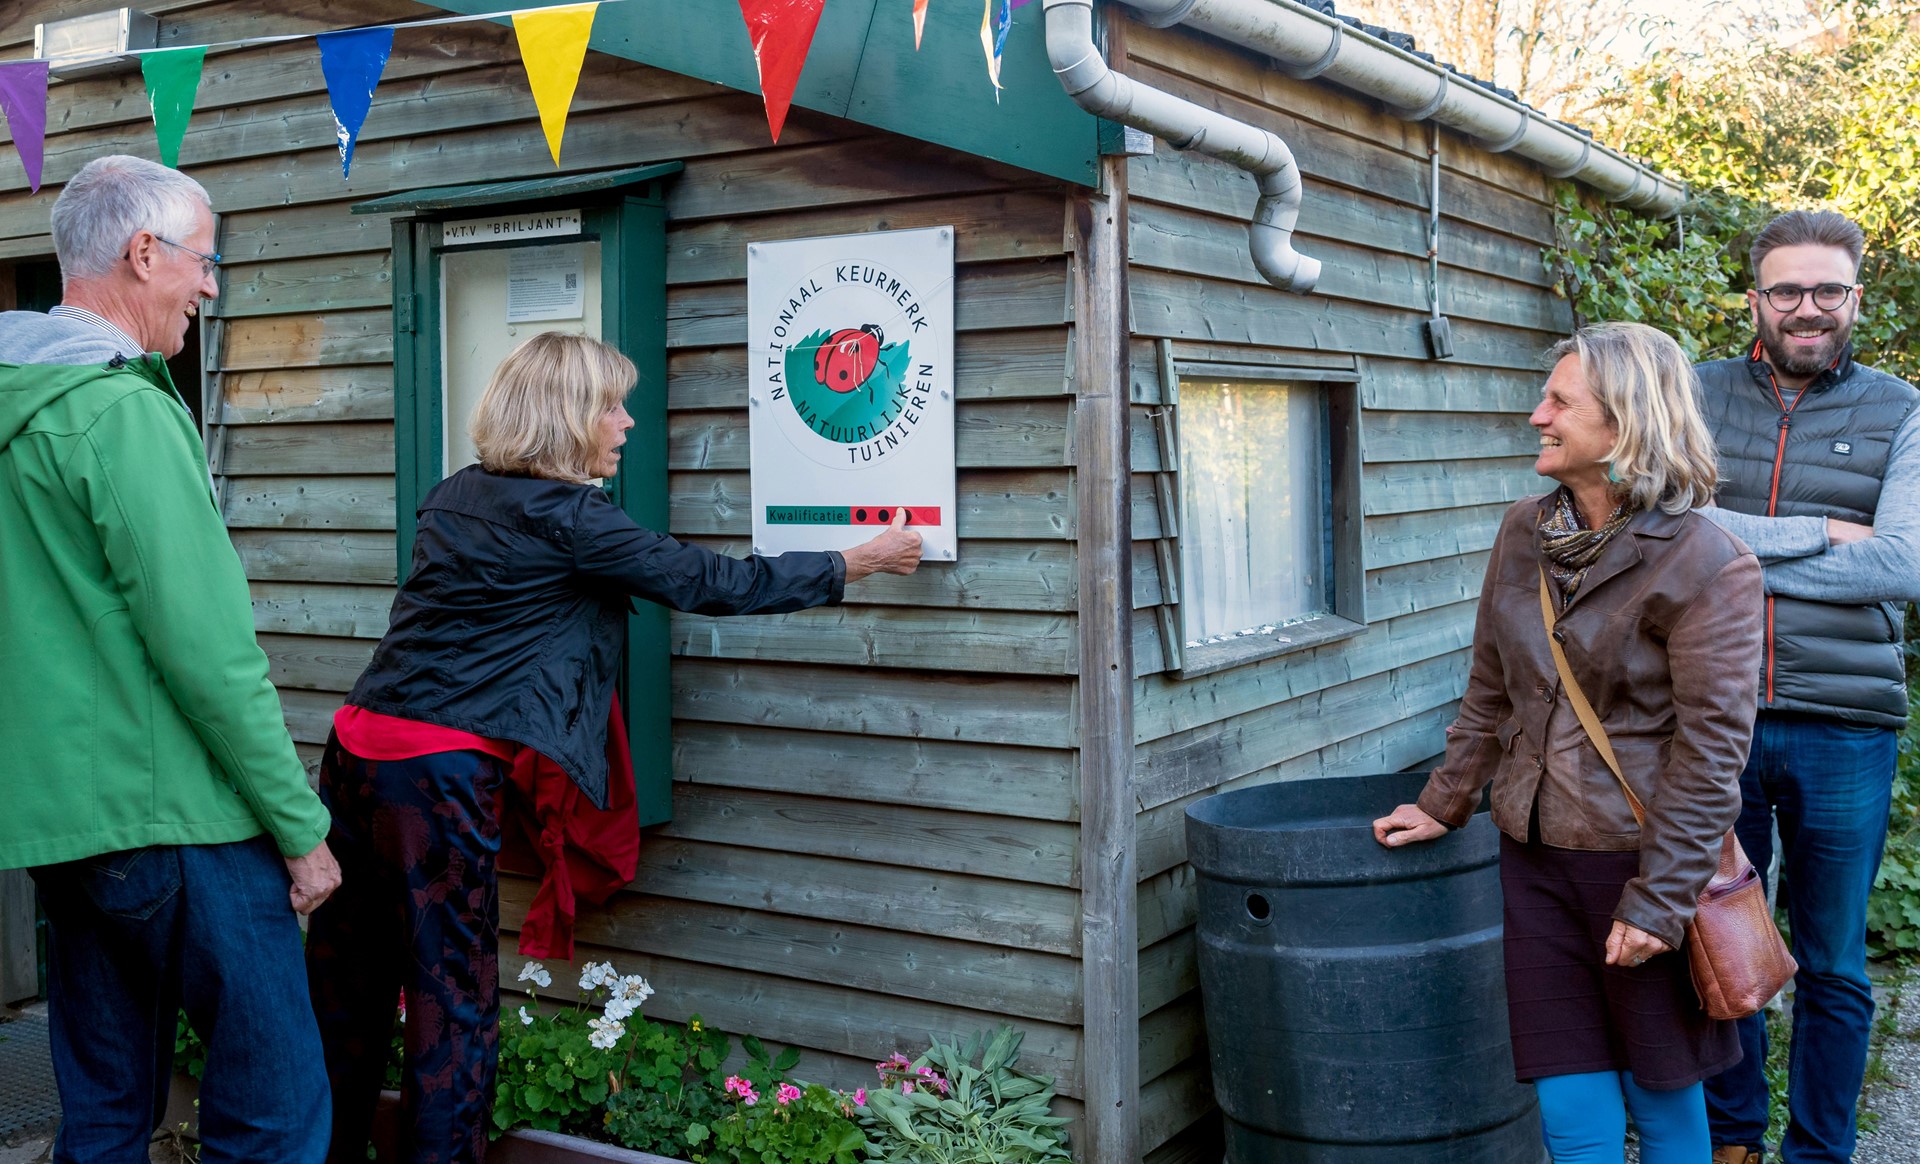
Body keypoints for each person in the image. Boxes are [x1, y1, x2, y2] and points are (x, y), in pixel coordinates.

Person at [305, 331, 924, 1163]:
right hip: (433, 779)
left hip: (354, 752)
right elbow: (712, 582)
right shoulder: (573, 520)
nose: (625, 422)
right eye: (610, 405)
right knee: (453, 1004)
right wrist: (855, 561)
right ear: (566, 418)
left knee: (347, 988)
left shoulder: (455, 494)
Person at [0, 155, 337, 1161]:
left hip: (64, 823)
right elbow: (208, 653)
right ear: (143, 253)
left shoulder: (21, 408)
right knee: (276, 1112)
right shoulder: (121, 410)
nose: (209, 284)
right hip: (180, 818)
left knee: (102, 1114)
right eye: (202, 259)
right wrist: (299, 826)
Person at [1373, 322, 1764, 1163]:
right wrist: (1446, 802)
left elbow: (1711, 753)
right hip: (1536, 852)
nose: (1536, 416)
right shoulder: (1525, 529)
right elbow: (1490, 686)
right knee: (1567, 1081)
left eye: (1559, 401)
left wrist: (1660, 901)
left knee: (1661, 1090)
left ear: (1623, 423)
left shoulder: (1706, 562)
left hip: (1640, 860)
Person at [1694, 210, 1920, 1164]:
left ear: (1856, 298)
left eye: (1829, 290)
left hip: (1845, 726)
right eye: (1786, 290)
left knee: (1831, 962)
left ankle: (1820, 1152)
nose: (1808, 309)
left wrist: (1731, 547)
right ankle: (1735, 1137)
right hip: (1712, 719)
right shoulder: (1695, 394)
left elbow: (1903, 566)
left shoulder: (1903, 409)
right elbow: (1661, 531)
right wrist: (1825, 532)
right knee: (1718, 945)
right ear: (1756, 298)